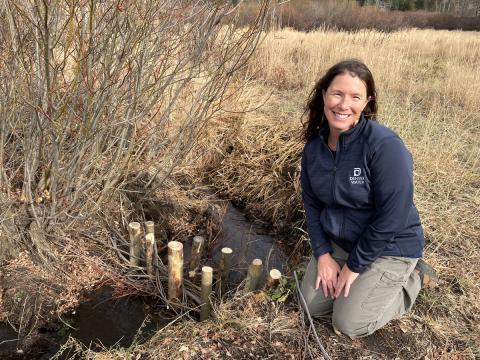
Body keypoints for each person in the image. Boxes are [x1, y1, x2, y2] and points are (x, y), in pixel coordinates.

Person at [299, 59, 438, 338]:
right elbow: (312, 205)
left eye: (355, 97)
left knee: (349, 323)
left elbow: (393, 217)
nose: (343, 105)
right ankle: (360, 281)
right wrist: (323, 254)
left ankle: (413, 277)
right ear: (324, 94)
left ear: (367, 102)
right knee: (310, 306)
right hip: (342, 242)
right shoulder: (314, 149)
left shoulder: (384, 146)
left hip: (390, 245)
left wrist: (354, 266)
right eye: (337, 93)